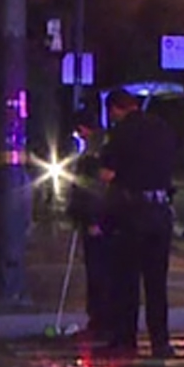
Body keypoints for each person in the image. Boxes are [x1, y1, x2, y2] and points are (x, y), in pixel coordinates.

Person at [96, 88, 178, 359]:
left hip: (131, 213)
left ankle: (125, 340)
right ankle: (160, 342)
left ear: (116, 109)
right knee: (157, 283)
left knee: (126, 280)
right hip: (161, 211)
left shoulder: (121, 132)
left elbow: (107, 174)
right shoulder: (163, 128)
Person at [63, 108, 112, 341]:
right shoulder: (101, 148)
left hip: (97, 222)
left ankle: (100, 321)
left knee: (98, 273)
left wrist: (91, 219)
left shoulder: (95, 153)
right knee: (99, 272)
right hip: (98, 219)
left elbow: (91, 189)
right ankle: (100, 320)